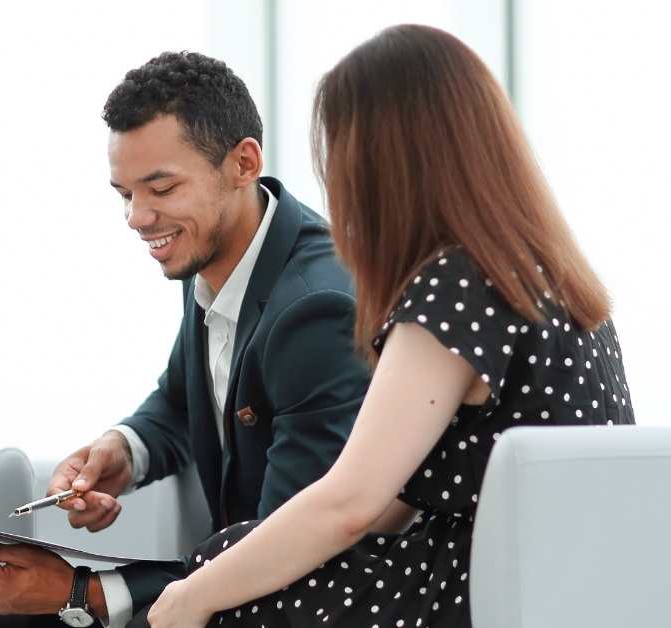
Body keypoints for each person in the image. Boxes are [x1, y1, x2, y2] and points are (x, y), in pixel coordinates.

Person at [137, 24, 636, 628]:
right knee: (232, 561)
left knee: (229, 592)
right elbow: (385, 503)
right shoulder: (540, 272)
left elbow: (350, 501)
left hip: (479, 585)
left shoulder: (459, 285)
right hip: (564, 582)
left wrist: (195, 595)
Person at [0, 51, 370, 627]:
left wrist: (80, 588)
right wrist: (122, 451)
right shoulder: (212, 249)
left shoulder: (315, 309)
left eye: (160, 187)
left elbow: (286, 546)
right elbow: (183, 396)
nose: (137, 218)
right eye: (124, 193)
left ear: (243, 164)